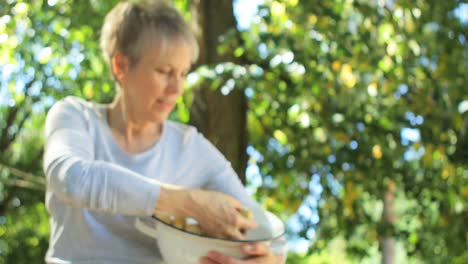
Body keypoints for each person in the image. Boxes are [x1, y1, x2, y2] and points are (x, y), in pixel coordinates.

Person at [43, 1, 287, 263]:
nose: (177, 89)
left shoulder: (191, 148)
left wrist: (269, 259)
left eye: (183, 74)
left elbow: (266, 233)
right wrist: (192, 203)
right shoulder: (76, 117)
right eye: (165, 71)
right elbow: (72, 181)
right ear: (121, 66)